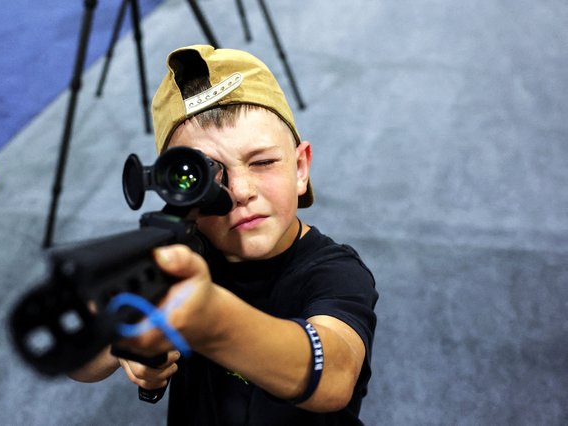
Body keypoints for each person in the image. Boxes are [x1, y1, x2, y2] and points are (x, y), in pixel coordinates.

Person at [69, 44, 378, 426]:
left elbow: (334, 374)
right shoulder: (178, 257)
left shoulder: (334, 271)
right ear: (175, 189)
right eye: (209, 177)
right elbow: (77, 361)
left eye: (263, 162)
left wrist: (207, 318)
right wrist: (126, 342)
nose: (242, 191)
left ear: (300, 167)